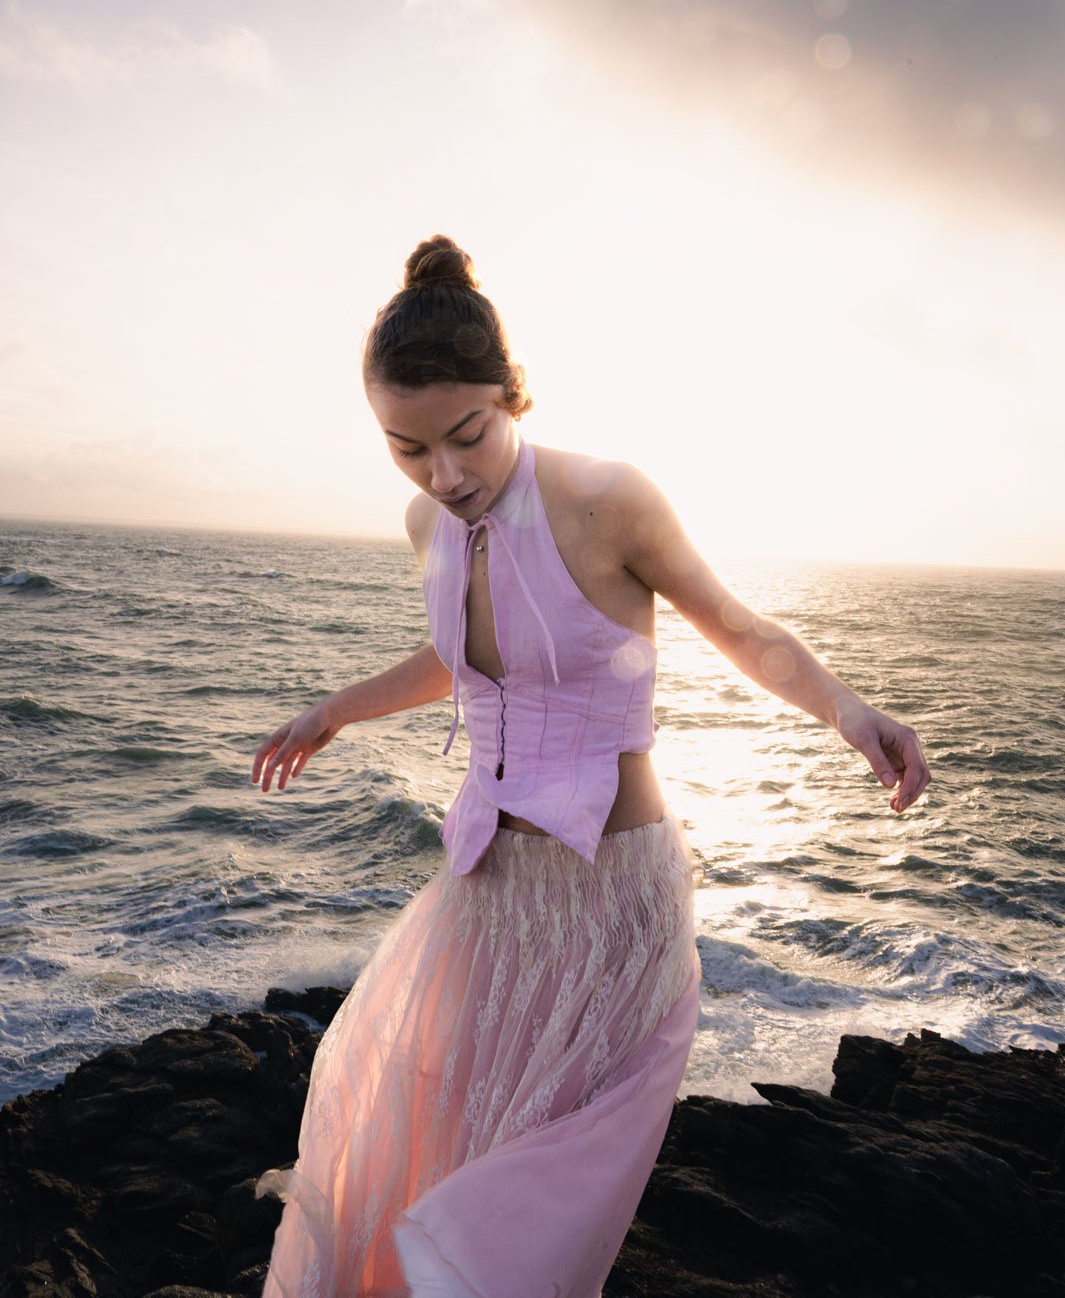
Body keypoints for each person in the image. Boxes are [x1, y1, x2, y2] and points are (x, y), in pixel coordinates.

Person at [251, 234, 932, 1296]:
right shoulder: (425, 522)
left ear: (513, 396)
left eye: (467, 436)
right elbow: (462, 657)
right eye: (407, 449)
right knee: (438, 1137)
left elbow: (738, 627)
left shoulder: (607, 499)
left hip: (611, 898)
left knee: (533, 1198)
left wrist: (851, 710)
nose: (447, 473)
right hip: (483, 894)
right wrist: (332, 714)